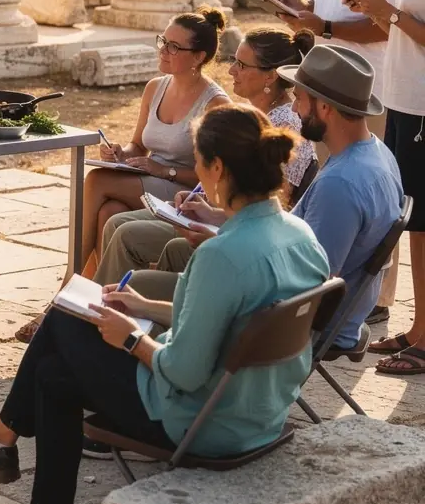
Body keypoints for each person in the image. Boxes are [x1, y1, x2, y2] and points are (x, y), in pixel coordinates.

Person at [0, 106, 328, 504]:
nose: (197, 174)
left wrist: (130, 339)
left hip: (205, 423)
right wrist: (143, 307)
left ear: (218, 168)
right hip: (261, 411)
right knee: (55, 374)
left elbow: (182, 370)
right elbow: (228, 318)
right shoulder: (301, 236)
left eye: (199, 162)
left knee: (63, 322)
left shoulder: (221, 255)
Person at [99, 46, 402, 356]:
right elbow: (296, 239)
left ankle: (153, 362)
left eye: (298, 99)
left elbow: (303, 285)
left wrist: (225, 245)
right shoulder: (376, 153)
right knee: (178, 250)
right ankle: (157, 353)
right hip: (324, 309)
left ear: (325, 108)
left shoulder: (341, 184)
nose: (295, 110)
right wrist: (219, 219)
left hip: (301, 322)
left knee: (132, 287)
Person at [14, 6, 229, 342]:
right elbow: (138, 146)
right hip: (147, 180)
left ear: (199, 57)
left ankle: (64, 295)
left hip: (179, 192)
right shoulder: (155, 87)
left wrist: (164, 168)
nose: (164, 50)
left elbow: (211, 179)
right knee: (108, 211)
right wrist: (120, 154)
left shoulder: (215, 105)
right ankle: (104, 308)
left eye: (175, 47)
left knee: (98, 181)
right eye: (163, 41)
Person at [274, 0, 413, 326]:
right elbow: (324, 7)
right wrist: (299, 9)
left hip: (366, 87)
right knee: (332, 183)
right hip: (325, 81)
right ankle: (330, 275)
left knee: (363, 190)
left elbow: (389, 27)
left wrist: (324, 24)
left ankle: (375, 298)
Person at [92, 27, 317, 294]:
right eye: (234, 61)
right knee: (114, 217)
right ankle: (98, 303)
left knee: (122, 226)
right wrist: (202, 203)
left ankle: (95, 308)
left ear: (270, 75)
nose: (231, 70)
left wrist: (212, 215)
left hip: (236, 232)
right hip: (216, 215)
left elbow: (275, 205)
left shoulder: (283, 123)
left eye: (241, 65)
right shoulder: (253, 113)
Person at [345, 0, 425, 374]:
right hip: (403, 99)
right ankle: (419, 330)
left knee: (424, 223)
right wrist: (374, 10)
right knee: (415, 223)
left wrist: (388, 13)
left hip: (421, 107)